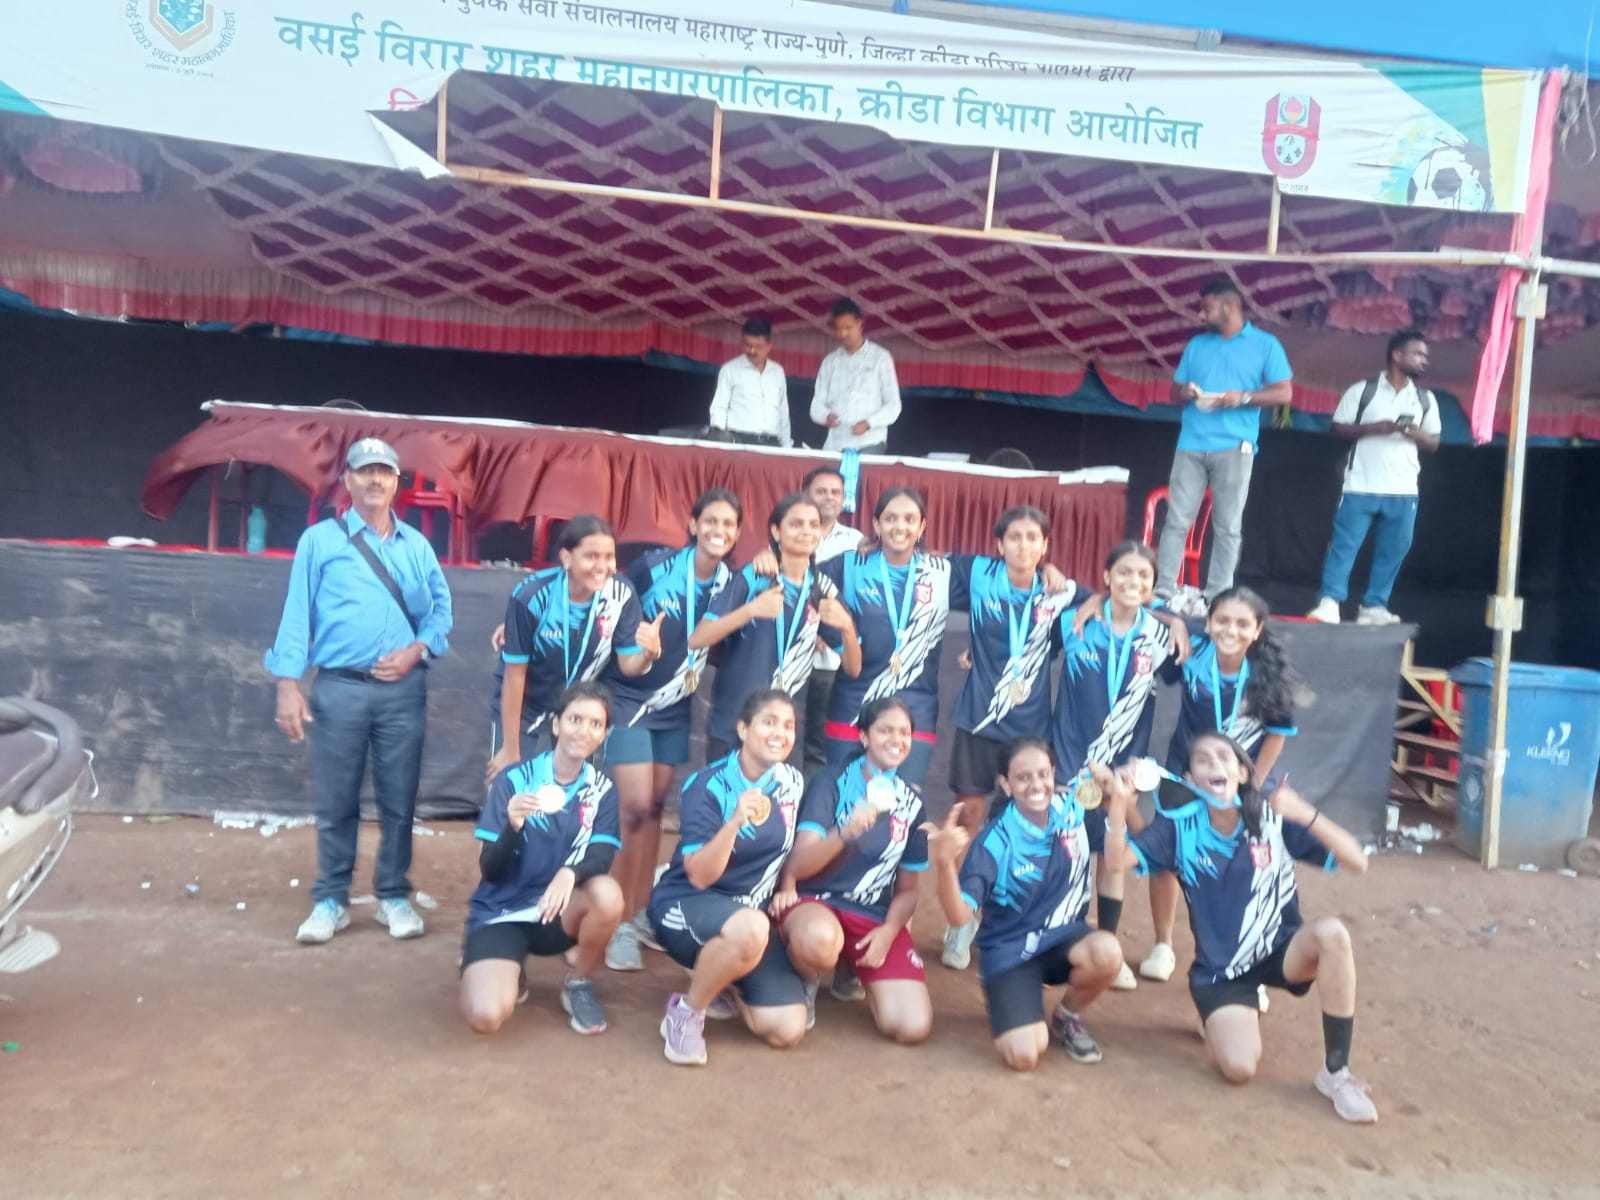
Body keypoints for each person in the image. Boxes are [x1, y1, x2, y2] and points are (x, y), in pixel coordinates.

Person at [1097, 735, 1378, 1123]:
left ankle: (1336, 1074)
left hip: (1282, 951)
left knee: (1332, 935)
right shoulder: (1177, 829)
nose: (1214, 764)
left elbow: (1358, 862)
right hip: (1221, 973)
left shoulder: (1272, 818)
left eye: (1223, 757)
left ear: (1243, 772)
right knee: (1239, 1068)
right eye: (1202, 760)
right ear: (1190, 779)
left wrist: (1303, 811)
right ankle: (1220, 1016)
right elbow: (1115, 863)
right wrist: (1118, 804)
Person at [267, 437, 453, 946]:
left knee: (399, 800)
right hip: (339, 689)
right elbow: (296, 614)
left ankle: (393, 895)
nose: (375, 479)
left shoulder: (416, 547)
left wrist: (416, 650)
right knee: (336, 800)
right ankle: (331, 900)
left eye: (384, 472)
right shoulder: (319, 542)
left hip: (402, 692)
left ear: (396, 483)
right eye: (365, 471)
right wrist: (288, 684)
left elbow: (441, 612)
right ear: (347, 480)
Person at [601, 489, 742, 972]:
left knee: (656, 811)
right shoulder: (653, 566)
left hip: (676, 704)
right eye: (711, 521)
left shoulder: (731, 584)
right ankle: (616, 920)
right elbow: (606, 594)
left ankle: (640, 913)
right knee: (634, 809)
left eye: (728, 524)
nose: (718, 531)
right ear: (694, 524)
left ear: (737, 534)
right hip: (629, 697)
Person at [925, 738, 1126, 1072]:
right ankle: (1012, 1000)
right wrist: (945, 863)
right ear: (1005, 784)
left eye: (1043, 774)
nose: (1036, 785)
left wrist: (1115, 798)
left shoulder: (1073, 810)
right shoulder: (994, 842)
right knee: (1024, 1056)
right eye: (1022, 777)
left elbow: (1116, 860)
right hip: (1011, 953)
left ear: (1053, 774)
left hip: (1065, 939)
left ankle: (1067, 1016)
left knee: (1108, 953)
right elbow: (959, 916)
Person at [940, 507, 1083, 969]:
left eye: (1032, 538)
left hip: (1029, 731)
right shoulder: (977, 574)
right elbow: (925, 562)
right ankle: (961, 918)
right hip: (978, 722)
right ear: (999, 545)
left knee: (1019, 827)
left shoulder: (1060, 593)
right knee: (970, 817)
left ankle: (1004, 920)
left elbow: (1110, 601)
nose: (1023, 545)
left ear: (1045, 547)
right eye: (1014, 537)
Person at [1138, 586, 1297, 987]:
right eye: (1222, 620)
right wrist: (1176, 622)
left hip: (1240, 784)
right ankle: (1162, 944)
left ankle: (1246, 963)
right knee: (1167, 858)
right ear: (1208, 623)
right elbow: (1145, 603)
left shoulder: (1269, 674)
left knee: (1241, 873)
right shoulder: (1194, 650)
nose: (1231, 630)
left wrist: (1253, 785)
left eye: (1243, 624)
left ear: (1257, 630)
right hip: (1185, 777)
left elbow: (1276, 736)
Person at [648, 689, 809, 1065]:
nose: (779, 733)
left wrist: (787, 885)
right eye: (768, 722)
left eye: (788, 725)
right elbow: (700, 875)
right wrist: (734, 822)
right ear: (742, 729)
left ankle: (723, 976)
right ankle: (686, 1012)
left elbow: (791, 847)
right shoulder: (707, 785)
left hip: (749, 916)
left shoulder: (792, 782)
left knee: (786, 1029)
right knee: (752, 928)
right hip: (687, 903)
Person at [459, 683, 625, 1037]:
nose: (584, 730)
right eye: (575, 719)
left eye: (595, 724)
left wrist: (570, 873)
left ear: (603, 735)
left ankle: (578, 982)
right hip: (503, 912)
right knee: (485, 1016)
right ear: (556, 724)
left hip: (557, 911)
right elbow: (490, 870)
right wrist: (513, 826)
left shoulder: (603, 790)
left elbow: (602, 856)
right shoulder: (514, 780)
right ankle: (506, 964)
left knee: (608, 895)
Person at [1052, 541, 1181, 991]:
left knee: (1112, 856)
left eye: (1143, 576)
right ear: (1106, 577)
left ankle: (1109, 947)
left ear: (1153, 585)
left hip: (1122, 771)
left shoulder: (1161, 637)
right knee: (1068, 852)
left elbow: (1197, 644)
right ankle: (1065, 939)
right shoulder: (1075, 621)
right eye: (1124, 572)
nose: (1133, 582)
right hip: (1071, 761)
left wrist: (1174, 620)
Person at [776, 696, 933, 1042]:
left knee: (912, 1026)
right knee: (819, 940)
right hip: (818, 902)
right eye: (885, 731)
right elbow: (798, 866)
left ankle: (851, 966)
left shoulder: (912, 804)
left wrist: (889, 931)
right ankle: (807, 978)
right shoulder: (830, 782)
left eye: (904, 733)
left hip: (870, 914)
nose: (896, 740)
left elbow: (909, 891)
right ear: (864, 737)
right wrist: (844, 832)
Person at [1156, 277, 1294, 613]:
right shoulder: (1197, 345)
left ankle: (1217, 596)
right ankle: (1163, 591)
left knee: (1228, 526)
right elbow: (1173, 392)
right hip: (1191, 443)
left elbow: (1284, 393)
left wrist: (1243, 397)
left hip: (1235, 445)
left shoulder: (1265, 345)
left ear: (1229, 305)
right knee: (1177, 519)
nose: (1201, 315)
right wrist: (1186, 392)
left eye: (1206, 308)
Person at [691, 494, 861, 762]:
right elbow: (698, 638)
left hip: (783, 731)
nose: (806, 531)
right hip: (735, 721)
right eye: (796, 524)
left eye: (813, 525)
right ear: (776, 531)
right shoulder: (755, 575)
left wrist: (848, 628)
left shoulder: (822, 588)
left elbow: (853, 668)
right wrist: (751, 610)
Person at [488, 515, 662, 778]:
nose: (602, 566)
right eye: (591, 556)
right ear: (567, 558)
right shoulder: (532, 597)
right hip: (526, 707)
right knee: (510, 786)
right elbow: (515, 675)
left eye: (609, 557)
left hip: (579, 710)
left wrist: (647, 655)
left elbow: (628, 665)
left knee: (575, 795)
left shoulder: (622, 594)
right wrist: (511, 749)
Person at [817, 487, 949, 787]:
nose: (899, 526)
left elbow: (1003, 583)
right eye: (890, 518)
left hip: (915, 712)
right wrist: (771, 553)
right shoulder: (851, 565)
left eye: (909, 519)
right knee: (843, 798)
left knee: (903, 803)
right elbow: (801, 574)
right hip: (853, 706)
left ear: (922, 527)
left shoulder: (943, 572)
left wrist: (1047, 570)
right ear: (876, 525)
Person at [1308, 330, 1440, 626]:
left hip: (1404, 489)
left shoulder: (1425, 399)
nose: (1424, 360)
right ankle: (1329, 603)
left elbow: (1434, 442)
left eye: (1425, 356)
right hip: (1360, 485)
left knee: (1393, 551)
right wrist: (1375, 428)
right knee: (1344, 546)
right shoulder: (1362, 391)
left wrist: (1413, 433)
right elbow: (1337, 428)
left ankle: (1374, 606)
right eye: (1418, 354)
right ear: (1397, 355)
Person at [801, 465, 864, 776]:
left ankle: (816, 804)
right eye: (821, 491)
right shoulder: (792, 532)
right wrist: (807, 629)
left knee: (820, 749)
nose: (829, 497)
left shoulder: (857, 542)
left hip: (832, 662)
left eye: (836, 492)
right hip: (789, 659)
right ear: (806, 494)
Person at [809, 298, 901, 454]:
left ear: (860, 324)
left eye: (848, 328)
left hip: (869, 443)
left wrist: (869, 423)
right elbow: (816, 407)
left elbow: (893, 405)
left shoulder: (880, 358)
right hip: (835, 445)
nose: (843, 334)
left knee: (859, 469)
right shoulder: (830, 362)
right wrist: (826, 416)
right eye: (838, 329)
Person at [707, 315, 791, 447]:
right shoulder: (730, 370)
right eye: (748, 345)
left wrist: (786, 448)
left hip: (772, 444)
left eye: (758, 346)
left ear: (769, 346)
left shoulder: (777, 372)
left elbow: (783, 413)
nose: (752, 351)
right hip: (739, 442)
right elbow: (719, 408)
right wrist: (721, 441)